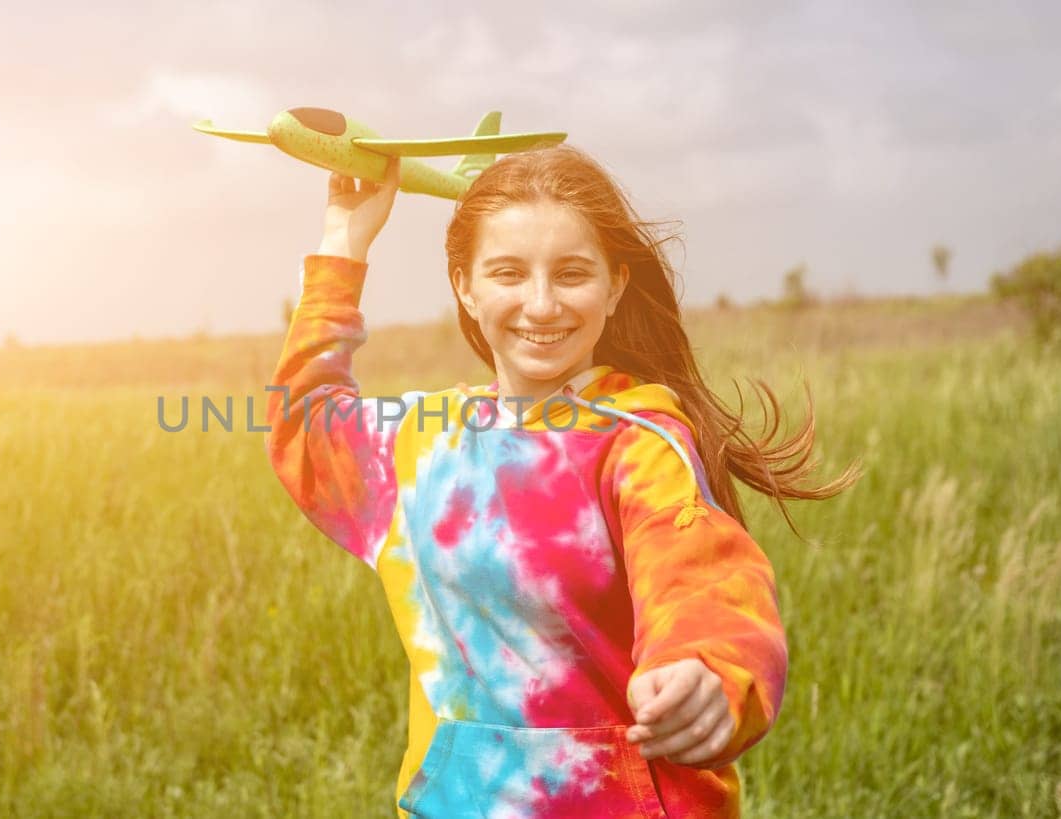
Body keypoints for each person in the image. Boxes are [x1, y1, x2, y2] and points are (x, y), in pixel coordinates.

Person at [264, 146, 859, 818]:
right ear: (465, 285)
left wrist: (706, 667)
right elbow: (306, 431)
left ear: (615, 285)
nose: (541, 304)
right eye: (509, 273)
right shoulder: (424, 439)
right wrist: (343, 244)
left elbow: (702, 577)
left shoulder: (639, 441)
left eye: (572, 273)